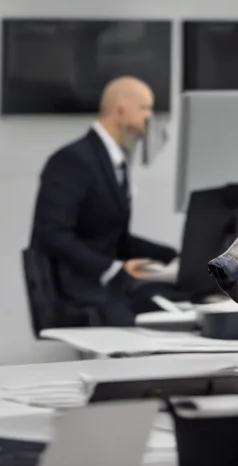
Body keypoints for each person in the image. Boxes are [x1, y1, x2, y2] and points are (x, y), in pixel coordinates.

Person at [30, 76, 184, 326]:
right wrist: (111, 267)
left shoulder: (113, 162)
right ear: (120, 110)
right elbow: (52, 233)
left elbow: (114, 237)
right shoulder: (72, 160)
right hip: (76, 288)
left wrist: (172, 255)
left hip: (106, 283)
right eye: (144, 108)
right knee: (150, 313)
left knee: (175, 299)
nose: (149, 117)